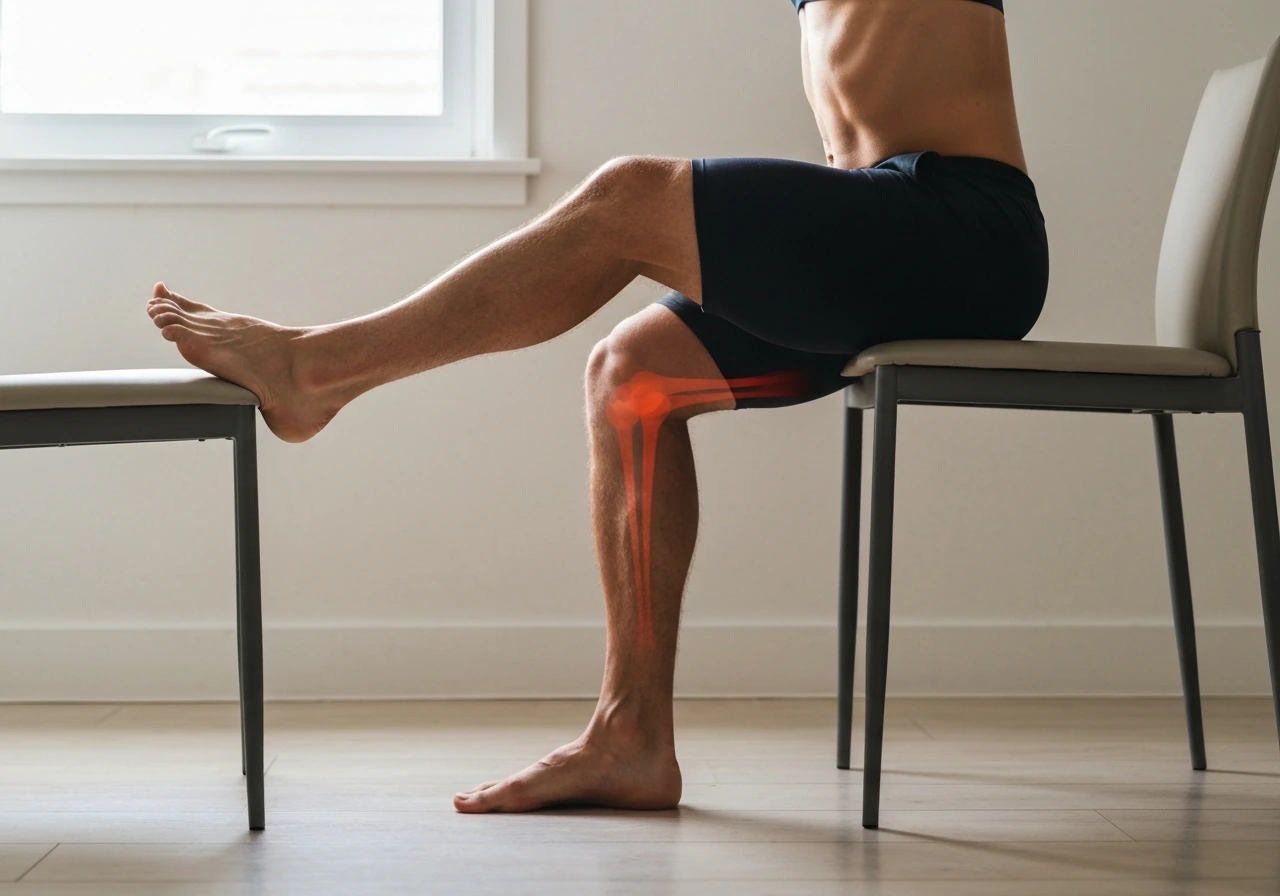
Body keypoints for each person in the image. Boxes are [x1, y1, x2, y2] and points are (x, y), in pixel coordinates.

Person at [146, 0, 1048, 814]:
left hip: (959, 230)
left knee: (628, 198)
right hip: (882, 245)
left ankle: (318, 369)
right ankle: (632, 739)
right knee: (635, 376)